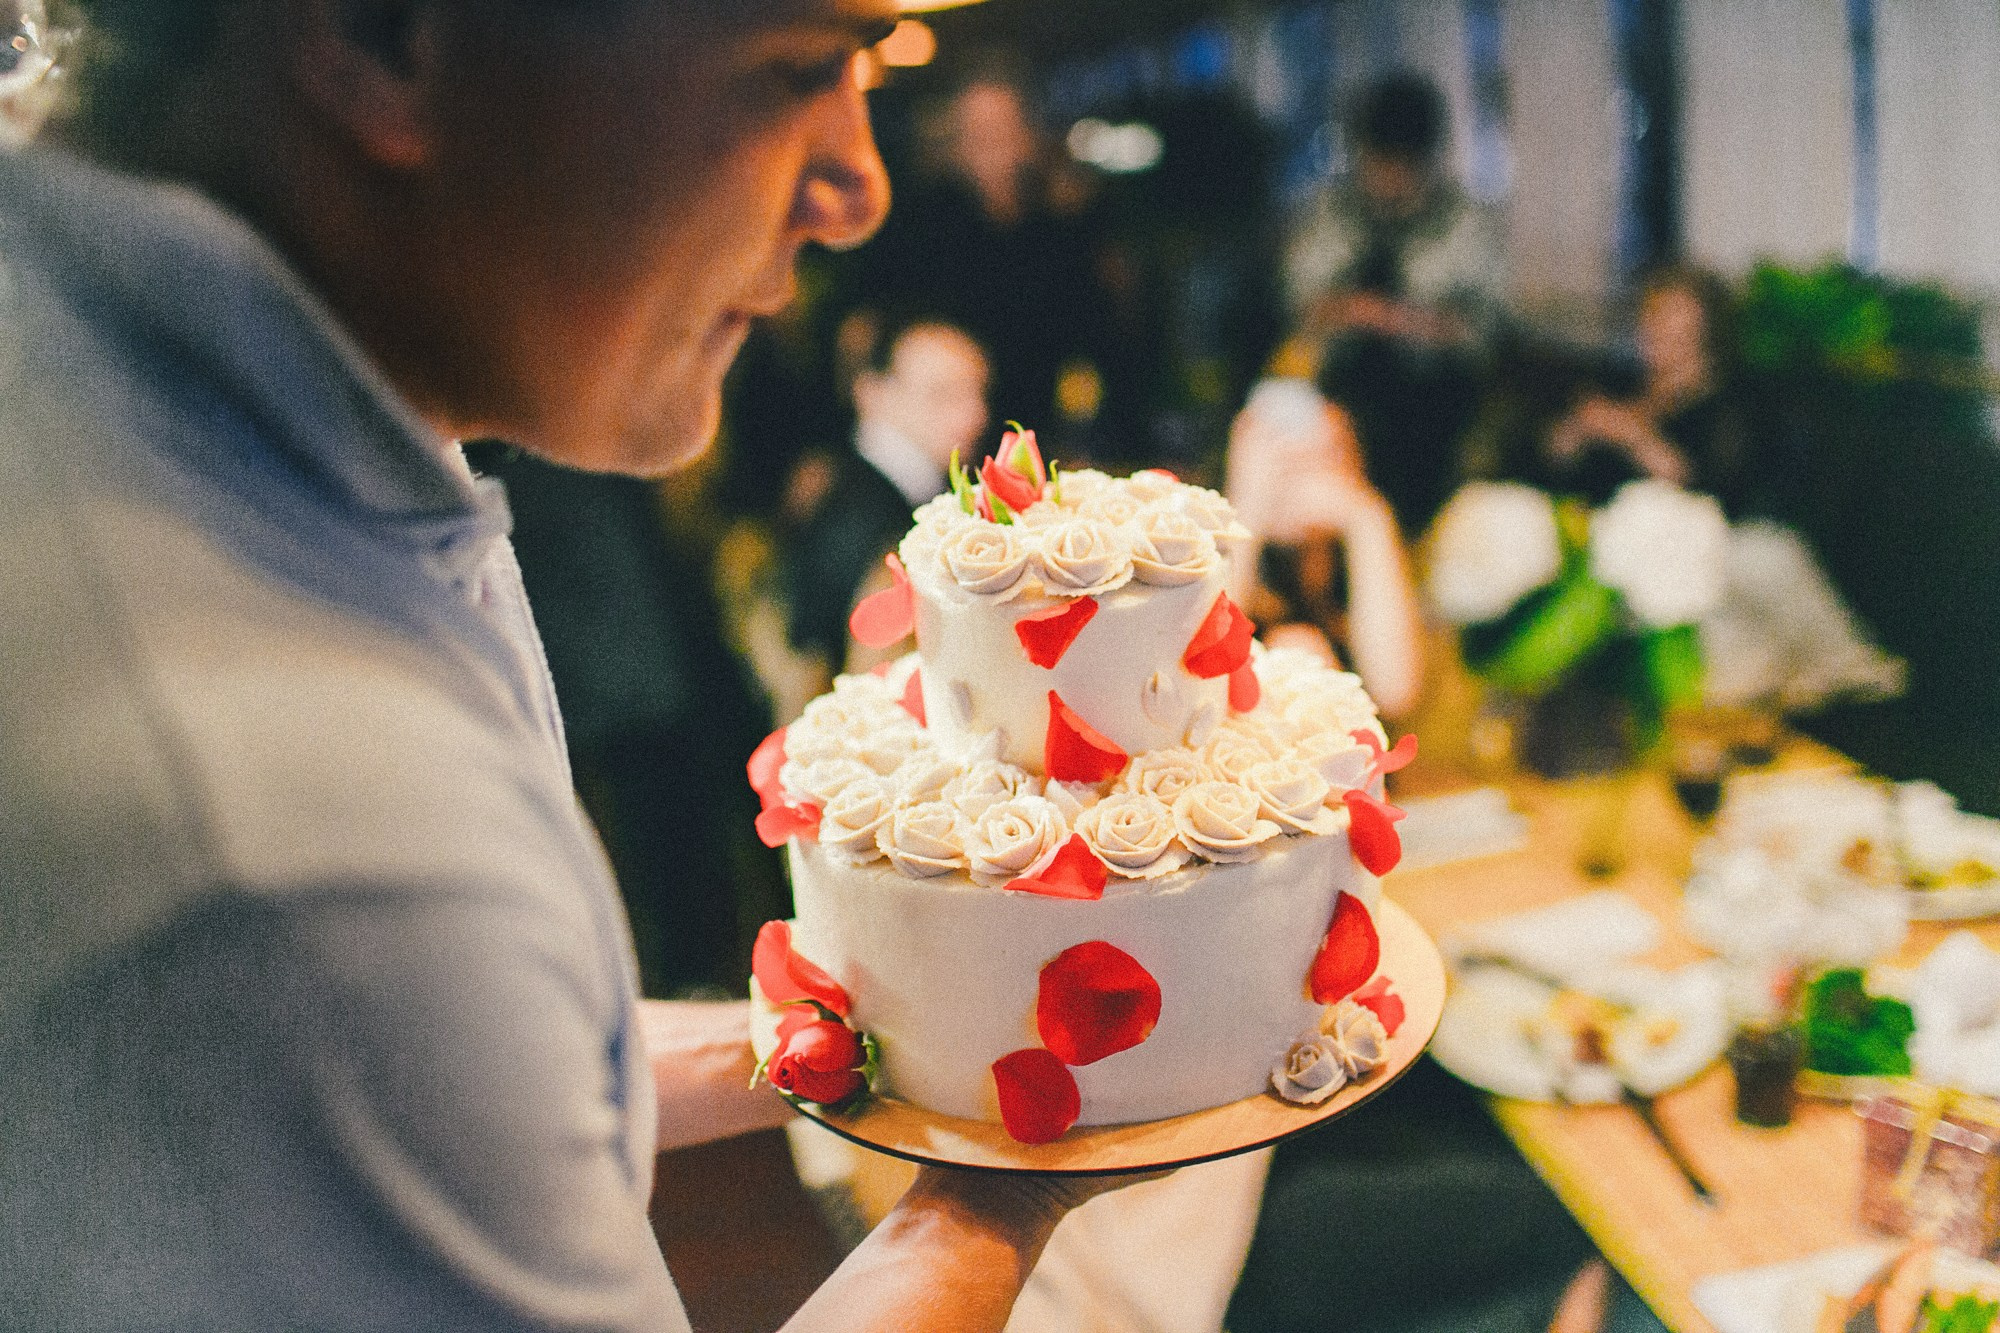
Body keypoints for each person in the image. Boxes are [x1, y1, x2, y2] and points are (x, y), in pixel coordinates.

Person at [0, 3, 1137, 1329]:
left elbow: (477, 1069)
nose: (856, 190)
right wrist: (1017, 1172)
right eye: (794, 67)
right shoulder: (283, 841)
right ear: (382, 39)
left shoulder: (187, 407)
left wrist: (892, 1045)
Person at [1283, 72, 1505, 535]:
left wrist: (1395, 318)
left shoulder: (1461, 223)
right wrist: (1344, 310)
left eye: (1399, 168)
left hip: (1434, 404)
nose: (1386, 180)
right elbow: (1300, 305)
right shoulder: (1333, 214)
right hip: (1342, 392)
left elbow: (1483, 329)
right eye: (1375, 164)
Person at [783, 313, 990, 678]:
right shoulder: (863, 517)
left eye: (978, 393)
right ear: (873, 394)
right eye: (944, 394)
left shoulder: (859, 486)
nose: (976, 416)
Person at [1225, 380, 1425, 719]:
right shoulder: (1220, 557)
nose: (1302, 479)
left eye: (1326, 457)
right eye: (1285, 461)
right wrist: (1248, 509)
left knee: (1303, 647)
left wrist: (1368, 520)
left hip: (1355, 759)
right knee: (1294, 645)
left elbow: (1396, 692)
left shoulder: (1360, 563)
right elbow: (1199, 649)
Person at [1538, 265, 1749, 509]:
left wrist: (1632, 436)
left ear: (1705, 328)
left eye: (1668, 313)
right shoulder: (1621, 386)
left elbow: (1707, 491)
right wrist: (1574, 432)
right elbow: (1553, 464)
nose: (1652, 324)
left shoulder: (1725, 409)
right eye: (1649, 311)